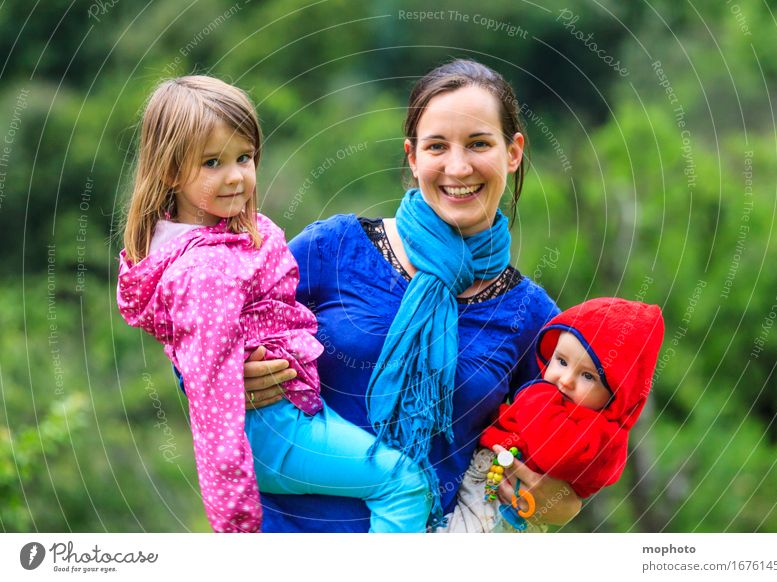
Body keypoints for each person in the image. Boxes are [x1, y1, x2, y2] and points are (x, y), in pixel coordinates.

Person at [242, 59, 583, 531]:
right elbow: (212, 326)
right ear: (412, 156)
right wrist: (237, 376)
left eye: (479, 144)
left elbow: (569, 476)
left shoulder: (534, 319)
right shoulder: (335, 247)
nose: (458, 167)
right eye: (437, 146)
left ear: (513, 151)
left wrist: (551, 500)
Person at [117, 76, 431, 533]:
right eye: (211, 163)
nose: (236, 176)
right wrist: (236, 515)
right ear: (169, 170)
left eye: (244, 157)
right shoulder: (205, 272)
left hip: (282, 416)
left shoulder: (230, 240)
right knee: (403, 483)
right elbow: (212, 394)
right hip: (271, 428)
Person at [445, 297, 665, 532]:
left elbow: (554, 451)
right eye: (561, 361)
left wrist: (536, 394)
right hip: (483, 481)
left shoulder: (599, 432)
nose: (566, 380)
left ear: (616, 395)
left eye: (588, 376)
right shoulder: (559, 404)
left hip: (499, 507)